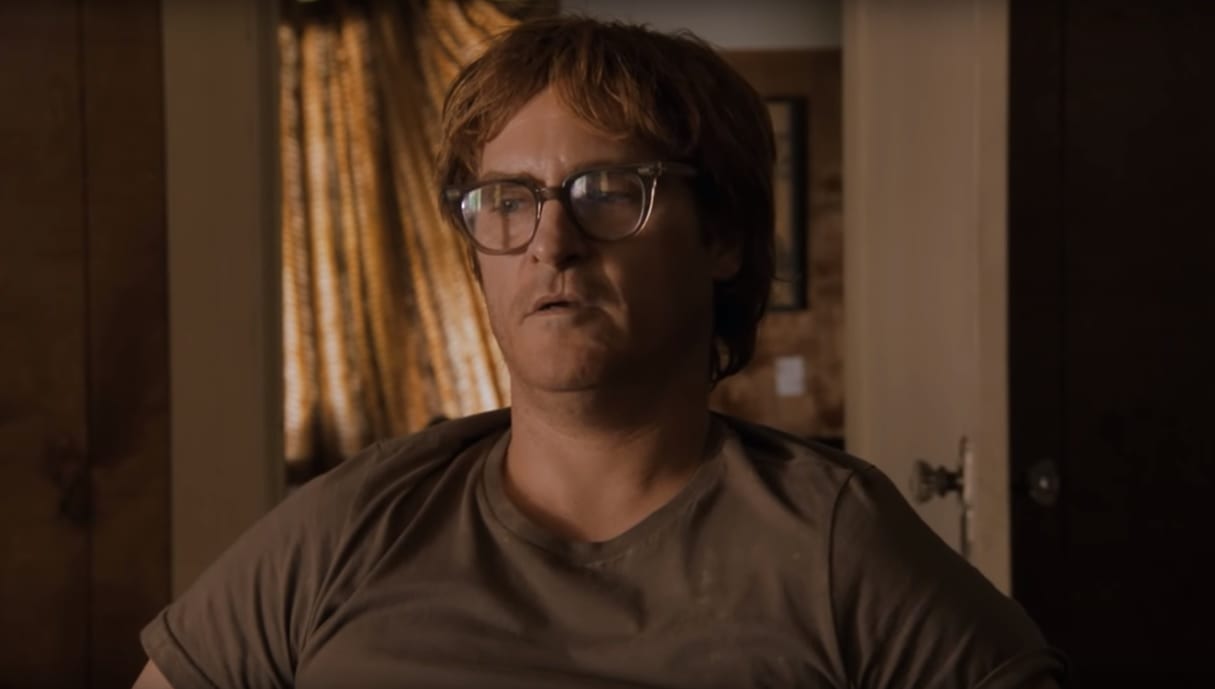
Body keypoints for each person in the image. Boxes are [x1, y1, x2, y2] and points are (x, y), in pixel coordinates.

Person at [133, 16, 1066, 689]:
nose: (551, 243)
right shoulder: (349, 523)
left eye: (610, 190)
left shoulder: (834, 547)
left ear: (721, 237)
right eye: (507, 200)